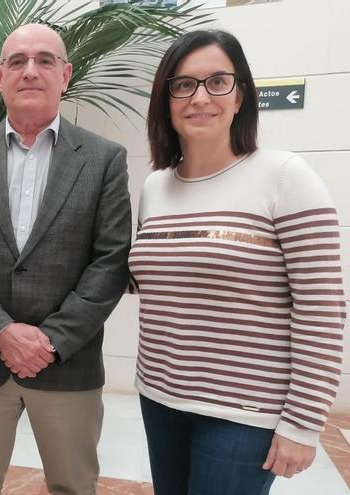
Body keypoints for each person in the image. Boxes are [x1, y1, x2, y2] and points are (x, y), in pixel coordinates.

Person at [132, 29, 345, 495]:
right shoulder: (156, 188)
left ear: (241, 94)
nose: (200, 97)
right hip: (159, 397)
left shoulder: (285, 177)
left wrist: (303, 424)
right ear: (166, 100)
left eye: (217, 82)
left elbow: (322, 312)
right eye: (183, 84)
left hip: (244, 413)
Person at [0, 23, 132, 495]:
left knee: (73, 487)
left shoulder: (104, 159)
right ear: (0, 76)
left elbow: (111, 260)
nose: (30, 71)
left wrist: (50, 341)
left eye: (44, 60)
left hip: (67, 362)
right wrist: (2, 332)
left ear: (65, 74)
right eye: (18, 62)